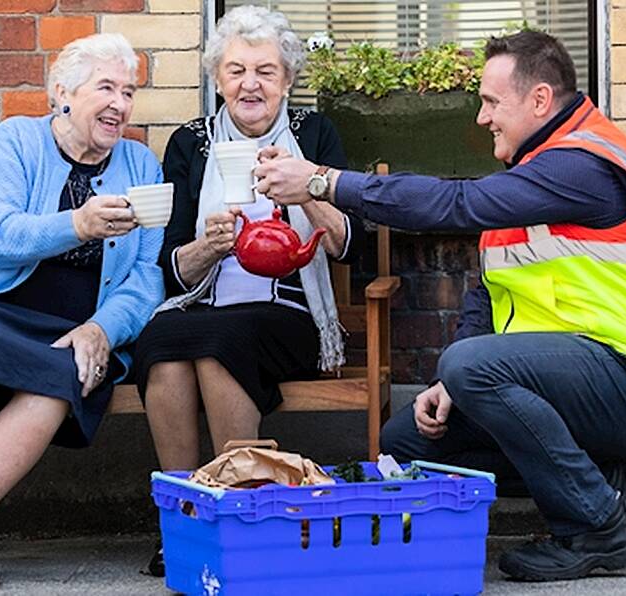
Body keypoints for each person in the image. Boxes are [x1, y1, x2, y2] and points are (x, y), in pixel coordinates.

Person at [255, 30, 626, 582]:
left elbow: (455, 204)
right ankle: (612, 479)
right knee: (407, 441)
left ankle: (599, 529)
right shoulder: (534, 172)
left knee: (470, 368)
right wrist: (449, 383)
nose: (483, 117)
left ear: (539, 100)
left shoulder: (584, 164)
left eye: (491, 102)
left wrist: (323, 181)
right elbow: (487, 295)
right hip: (572, 386)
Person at [0, 33, 164, 592]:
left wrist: (102, 329)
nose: (120, 104)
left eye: (129, 91)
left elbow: (147, 275)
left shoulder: (139, 163)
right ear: (62, 91)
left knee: (63, 368)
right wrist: (77, 224)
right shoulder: (17, 139)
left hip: (77, 323)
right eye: (106, 87)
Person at [133, 4, 364, 575]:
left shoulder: (313, 133)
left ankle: (239, 513)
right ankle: (183, 516)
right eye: (236, 71)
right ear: (217, 79)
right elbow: (172, 268)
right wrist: (208, 246)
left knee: (218, 339)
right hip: (205, 302)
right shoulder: (190, 143)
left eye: (264, 70)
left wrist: (305, 186)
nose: (250, 84)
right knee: (162, 340)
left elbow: (343, 244)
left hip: (292, 316)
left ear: (286, 79)